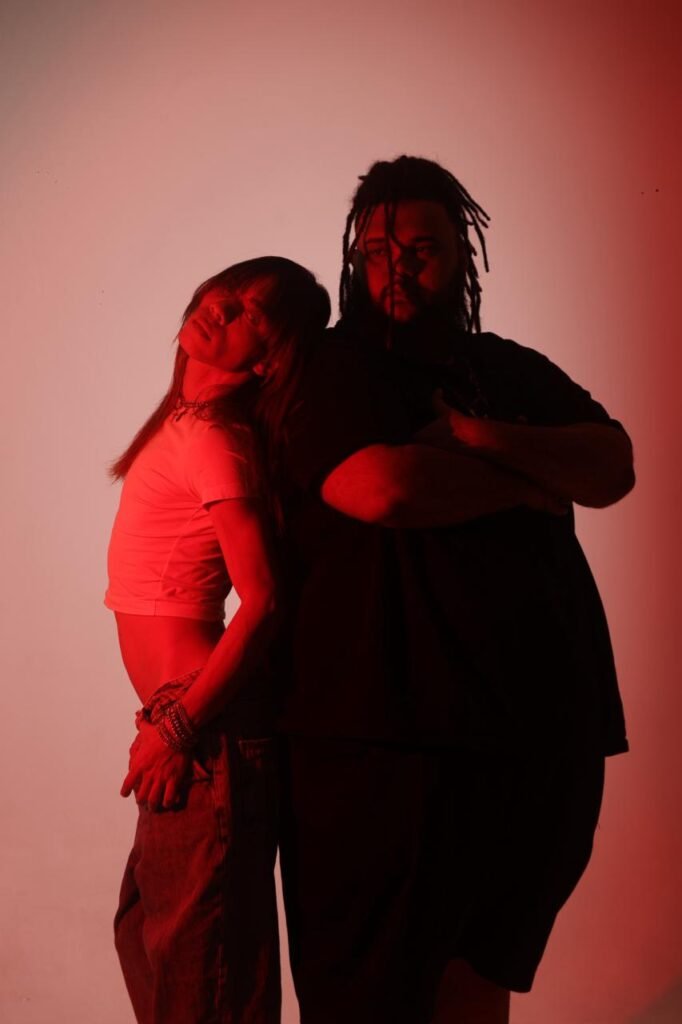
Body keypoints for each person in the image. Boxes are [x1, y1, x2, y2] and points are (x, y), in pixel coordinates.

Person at [278, 157, 634, 1024]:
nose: (396, 268)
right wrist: (530, 482)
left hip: (536, 740)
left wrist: (478, 435)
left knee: (478, 986)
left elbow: (612, 463)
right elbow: (384, 490)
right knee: (369, 1001)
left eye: (421, 250)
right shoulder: (333, 367)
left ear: (461, 257)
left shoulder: (506, 370)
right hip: (383, 749)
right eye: (375, 252)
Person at [105, 256, 330, 1024]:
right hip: (192, 732)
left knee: (204, 995)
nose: (223, 309)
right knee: (155, 953)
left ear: (267, 360)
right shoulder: (186, 424)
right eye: (230, 292)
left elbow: (265, 600)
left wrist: (178, 726)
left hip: (204, 737)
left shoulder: (214, 438)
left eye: (251, 315)